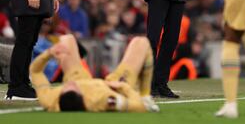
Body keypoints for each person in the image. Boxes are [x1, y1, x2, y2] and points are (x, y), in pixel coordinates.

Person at [30, 34, 159, 112]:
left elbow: (35, 72)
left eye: (65, 87)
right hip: (112, 86)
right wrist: (124, 88)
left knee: (66, 39)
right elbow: (139, 107)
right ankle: (145, 95)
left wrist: (48, 53)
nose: (69, 85)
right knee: (141, 42)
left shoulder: (51, 99)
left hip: (78, 76)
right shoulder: (102, 100)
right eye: (73, 87)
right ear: (81, 94)